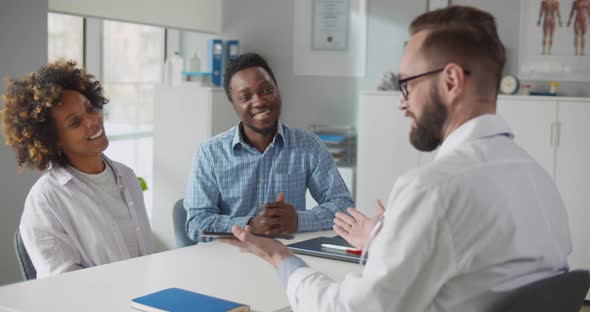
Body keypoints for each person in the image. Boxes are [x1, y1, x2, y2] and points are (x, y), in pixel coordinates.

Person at [220, 6, 572, 311]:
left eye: (407, 84)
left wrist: (280, 258)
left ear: (451, 81)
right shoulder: (537, 179)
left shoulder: (433, 189)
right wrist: (386, 240)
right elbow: (475, 269)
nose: (402, 102)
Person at [1, 60, 154, 278]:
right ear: (54, 141)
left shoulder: (126, 176)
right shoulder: (45, 201)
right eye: (75, 123)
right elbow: (62, 286)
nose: (92, 121)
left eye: (90, 109)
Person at [184, 53, 353, 241]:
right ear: (234, 106)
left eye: (266, 90)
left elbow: (343, 205)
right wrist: (248, 225)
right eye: (245, 96)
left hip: (285, 256)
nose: (258, 101)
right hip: (229, 258)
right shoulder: (210, 153)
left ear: (277, 91)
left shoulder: (309, 146)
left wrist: (298, 220)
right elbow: (196, 223)